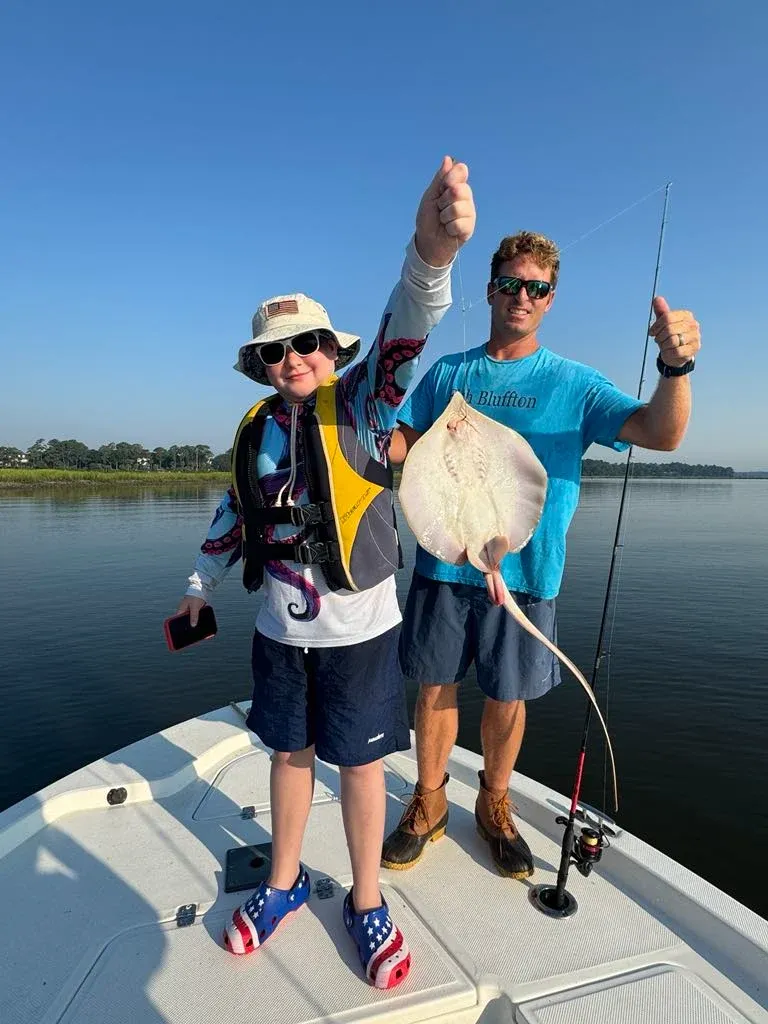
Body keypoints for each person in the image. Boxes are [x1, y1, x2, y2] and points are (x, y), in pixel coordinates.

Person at [173, 157, 475, 989]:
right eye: (276, 350)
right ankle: (284, 883)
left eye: (307, 343)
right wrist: (198, 588)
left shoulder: (369, 404)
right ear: (260, 364)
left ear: (331, 350)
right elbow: (233, 514)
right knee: (288, 756)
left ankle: (367, 899)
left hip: (361, 634)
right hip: (281, 633)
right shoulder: (254, 428)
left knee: (363, 767)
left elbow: (409, 323)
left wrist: (432, 252)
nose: (294, 358)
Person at [382, 230, 701, 879]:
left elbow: (661, 433)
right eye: (510, 283)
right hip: (445, 557)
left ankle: (494, 803)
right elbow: (401, 445)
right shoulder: (448, 374)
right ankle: (429, 800)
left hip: (527, 572)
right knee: (434, 685)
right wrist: (345, 409)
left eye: (536, 287)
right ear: (490, 289)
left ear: (550, 298)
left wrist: (675, 369)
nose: (521, 296)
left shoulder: (574, 383)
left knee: (508, 694)